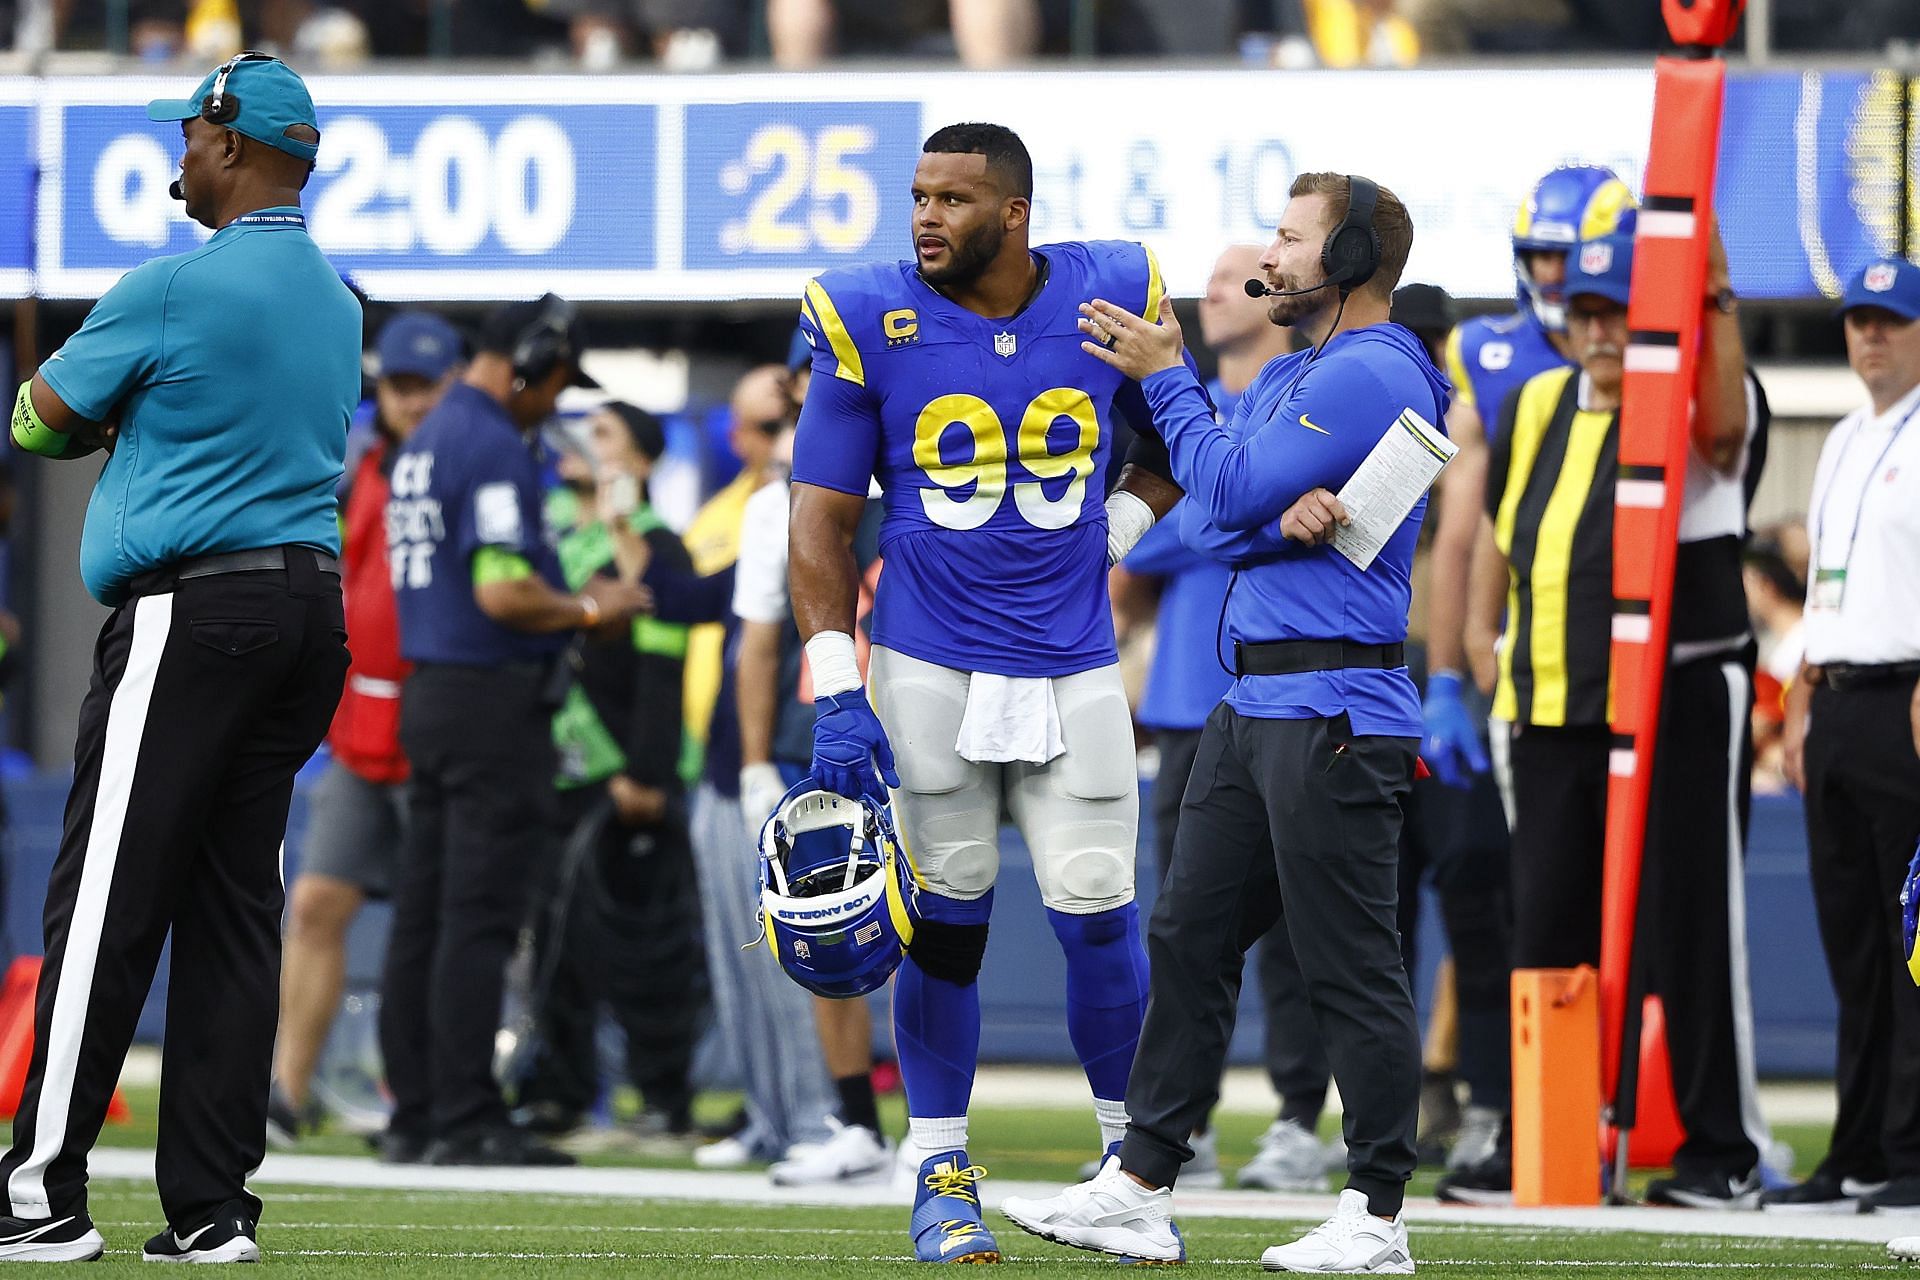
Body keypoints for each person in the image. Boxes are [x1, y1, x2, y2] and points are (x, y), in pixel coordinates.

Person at [1002, 171, 1442, 1274]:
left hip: (1334, 703)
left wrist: (1174, 383)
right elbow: (1209, 518)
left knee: (1348, 964)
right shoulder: (1300, 369)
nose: (1273, 257)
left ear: (1345, 255)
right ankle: (1142, 1183)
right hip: (1253, 704)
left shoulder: (1373, 369)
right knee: (1189, 935)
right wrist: (1258, 507)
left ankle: (1379, 1213)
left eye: (1292, 239)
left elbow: (1226, 486)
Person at [787, 122, 1183, 1264]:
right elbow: (819, 514)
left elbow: (1172, 438)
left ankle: (1130, 1174)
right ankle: (939, 1167)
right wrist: (833, 682)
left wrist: (1118, 522)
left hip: (1073, 655)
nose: (924, 218)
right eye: (917, 196)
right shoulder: (870, 315)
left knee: (1102, 915)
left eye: (952, 199)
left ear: (1015, 214)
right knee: (944, 923)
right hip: (929, 659)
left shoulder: (1114, 292)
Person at [0, 53, 358, 1262]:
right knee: (232, 908)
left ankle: (38, 1187)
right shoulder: (337, 295)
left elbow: (36, 418)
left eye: (194, 135)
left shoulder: (170, 284)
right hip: (307, 615)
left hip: (193, 615)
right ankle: (210, 1206)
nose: (180, 154)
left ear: (236, 147)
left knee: (105, 896)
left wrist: (112, 412)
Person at [1460, 227, 1770, 1208]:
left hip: (1673, 691)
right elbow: (1500, 533)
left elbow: (1724, 433)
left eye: (1618, 311)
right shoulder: (1536, 402)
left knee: (1690, 921)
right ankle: (1541, 1136)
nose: (1599, 329)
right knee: (1544, 926)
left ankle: (1722, 1148)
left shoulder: (1692, 390)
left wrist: (1712, 296)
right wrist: (1477, 644)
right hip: (1553, 702)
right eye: (1586, 310)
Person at [378, 294, 650, 1168]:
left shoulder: (424, 441)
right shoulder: (489, 443)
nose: (558, 398)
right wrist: (587, 605)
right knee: (478, 914)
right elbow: (501, 591)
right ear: (532, 359)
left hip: (435, 691)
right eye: (560, 378)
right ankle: (464, 1115)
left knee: (424, 910)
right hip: (492, 698)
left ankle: (418, 1110)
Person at [1422, 166, 1634, 1192]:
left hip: (1629, 676)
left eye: (1574, 258)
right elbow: (1465, 527)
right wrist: (1453, 666)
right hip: (1527, 679)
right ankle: (1518, 1110)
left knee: (1637, 908)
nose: (1556, 277)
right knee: (1516, 900)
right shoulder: (1496, 359)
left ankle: (1636, 1112)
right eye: (1544, 257)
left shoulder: (1656, 356)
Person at [1113, 243, 1340, 1194]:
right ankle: (1184, 1126)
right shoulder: (1193, 414)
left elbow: (1180, 529)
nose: (1204, 297)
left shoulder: (1290, 402)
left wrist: (1215, 514)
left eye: (1223, 281)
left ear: (1269, 294)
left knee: (1296, 932)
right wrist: (1249, 514)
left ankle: (1297, 1118)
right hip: (1185, 707)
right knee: (1185, 926)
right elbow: (1148, 539)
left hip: (1283, 695)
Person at [269, 308, 463, 1146]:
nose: (413, 402)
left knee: (446, 923)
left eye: (428, 386)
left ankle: (441, 1093)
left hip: (439, 728)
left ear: (454, 386)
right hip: (359, 730)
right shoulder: (362, 471)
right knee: (313, 904)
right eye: (401, 386)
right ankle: (285, 1090)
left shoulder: (472, 467)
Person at [516, 401, 708, 1149]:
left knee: (647, 951)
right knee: (560, 944)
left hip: (627, 773)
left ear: (643, 462)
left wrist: (645, 773)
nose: (582, 444)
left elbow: (663, 670)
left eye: (603, 435)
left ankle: (665, 1100)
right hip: (560, 771)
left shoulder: (656, 546)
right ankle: (559, 1097)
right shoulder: (562, 536)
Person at [1773, 257, 1920, 1213]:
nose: (1871, 336)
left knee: (1913, 942)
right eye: (1860, 320)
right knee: (1853, 947)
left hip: (1908, 697)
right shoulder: (1838, 441)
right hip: (1838, 701)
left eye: (1891, 322)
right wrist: (1799, 693)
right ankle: (1859, 1145)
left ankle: (1912, 1150)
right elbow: (1827, 584)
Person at [734, 410, 896, 1187]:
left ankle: (938, 1128)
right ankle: (857, 1121)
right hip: (826, 731)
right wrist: (756, 759)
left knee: (947, 923)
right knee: (827, 921)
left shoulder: (925, 472)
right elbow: (761, 636)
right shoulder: (784, 500)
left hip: (924, 721)